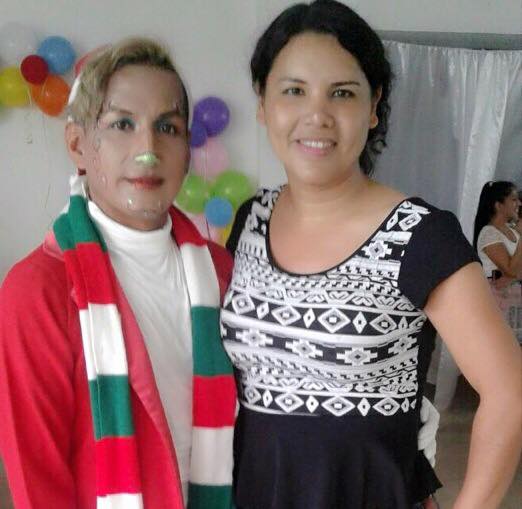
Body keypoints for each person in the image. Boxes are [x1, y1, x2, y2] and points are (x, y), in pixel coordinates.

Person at [221, 2, 522, 508]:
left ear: (374, 104)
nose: (317, 115)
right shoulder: (252, 219)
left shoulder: (419, 235)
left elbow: (509, 392)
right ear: (263, 102)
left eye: (342, 93)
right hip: (255, 491)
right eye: (293, 90)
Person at [0, 38, 236, 509]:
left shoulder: (220, 269)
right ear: (78, 145)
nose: (148, 149)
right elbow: (37, 473)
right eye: (122, 124)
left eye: (167, 127)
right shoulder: (37, 289)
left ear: (187, 150)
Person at [474, 180, 522, 344]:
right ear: (498, 205)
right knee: (503, 345)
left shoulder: (514, 232)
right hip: (498, 300)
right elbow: (511, 270)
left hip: (515, 299)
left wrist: (511, 277)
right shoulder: (489, 233)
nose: (519, 203)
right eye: (514, 199)